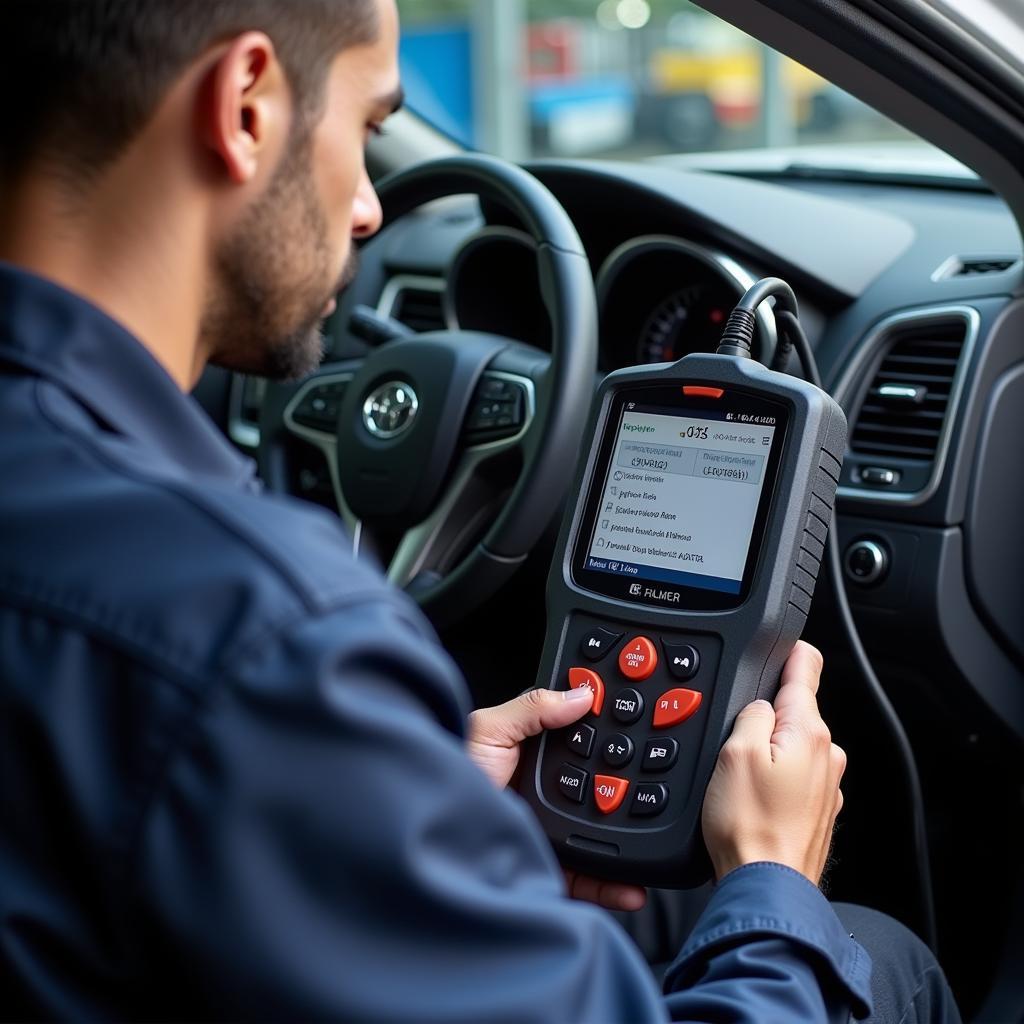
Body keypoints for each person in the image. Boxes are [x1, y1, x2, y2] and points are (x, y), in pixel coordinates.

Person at [0, 1, 959, 1021]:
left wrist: (388, 791)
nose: (370, 208)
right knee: (873, 954)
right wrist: (773, 882)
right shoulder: (265, 636)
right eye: (369, 130)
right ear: (244, 107)